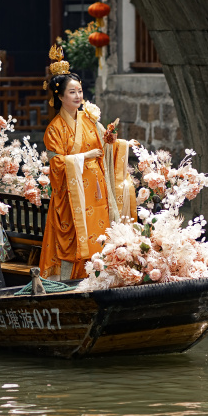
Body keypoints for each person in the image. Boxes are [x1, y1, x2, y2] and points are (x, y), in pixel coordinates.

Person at [38, 45, 122, 280]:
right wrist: (83, 157)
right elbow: (56, 165)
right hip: (71, 193)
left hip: (95, 190)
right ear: (60, 97)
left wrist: (111, 141)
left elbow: (104, 147)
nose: (78, 96)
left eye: (80, 91)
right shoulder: (54, 129)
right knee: (73, 235)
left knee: (98, 231)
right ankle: (69, 280)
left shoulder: (90, 120)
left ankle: (98, 274)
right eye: (72, 92)